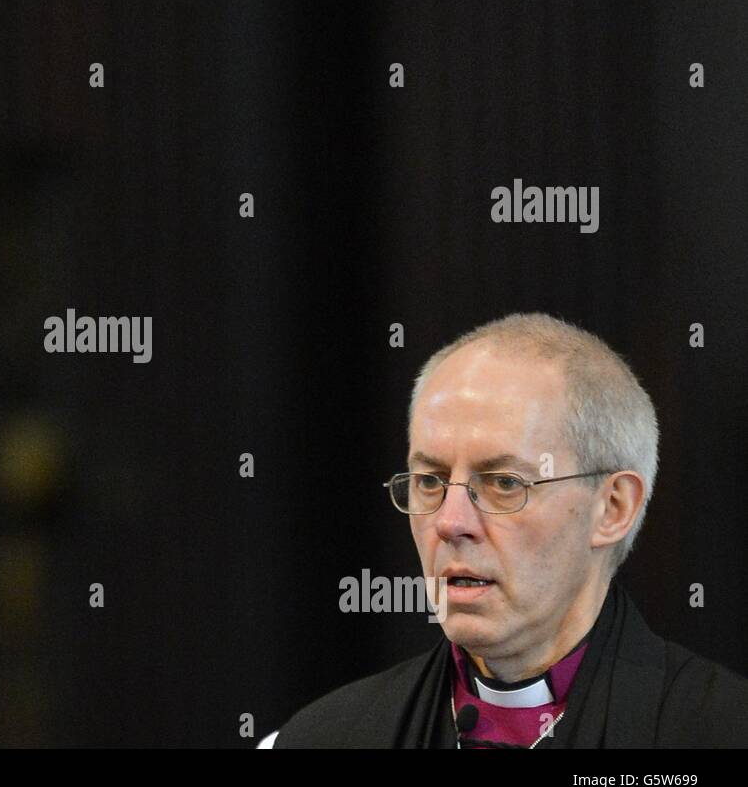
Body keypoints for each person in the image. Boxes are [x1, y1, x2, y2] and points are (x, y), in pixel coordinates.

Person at [261, 313, 748, 748]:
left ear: (612, 508)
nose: (450, 522)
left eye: (502, 484)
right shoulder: (324, 738)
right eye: (430, 481)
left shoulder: (718, 730)